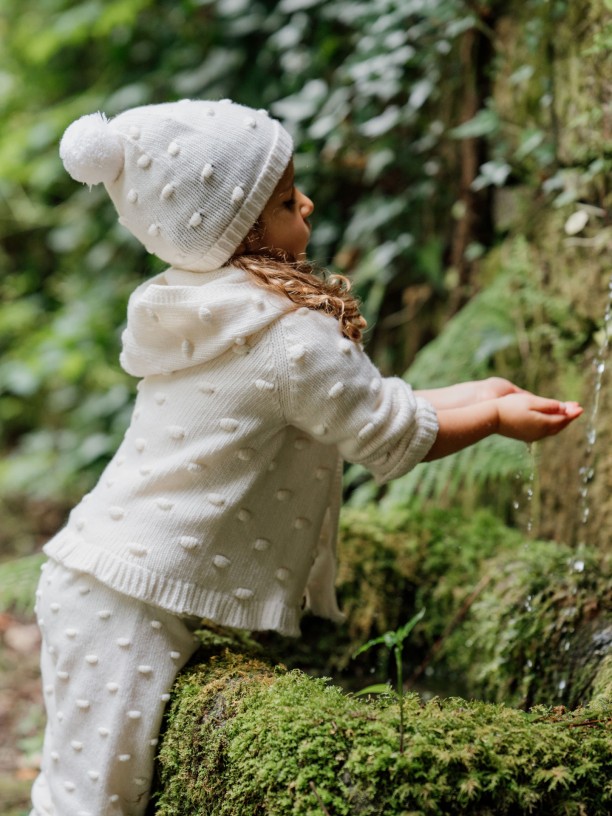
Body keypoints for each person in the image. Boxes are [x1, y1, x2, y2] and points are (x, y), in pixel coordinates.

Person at [31, 98, 582, 816]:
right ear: (238, 233)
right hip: (127, 603)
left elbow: (368, 403)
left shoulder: (212, 303)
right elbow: (383, 435)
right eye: (290, 200)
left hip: (103, 576)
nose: (310, 204)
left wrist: (477, 392)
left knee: (76, 792)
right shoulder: (289, 335)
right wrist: (496, 419)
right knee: (92, 805)